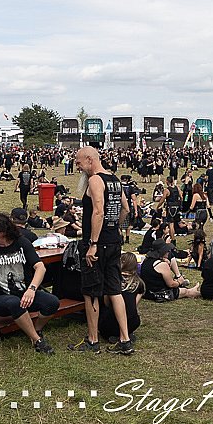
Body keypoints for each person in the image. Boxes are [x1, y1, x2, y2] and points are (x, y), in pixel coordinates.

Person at [69, 146, 133, 354]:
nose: (78, 167)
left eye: (79, 163)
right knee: (115, 290)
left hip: (97, 245)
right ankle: (125, 339)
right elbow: (126, 209)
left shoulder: (95, 180)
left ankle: (93, 340)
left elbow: (98, 211)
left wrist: (93, 243)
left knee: (91, 292)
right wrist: (115, 227)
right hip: (114, 241)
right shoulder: (114, 179)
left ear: (89, 159)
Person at [0, 213, 59, 354]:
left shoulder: (21, 243)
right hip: (0, 299)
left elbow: (40, 267)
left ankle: (36, 330)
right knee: (15, 302)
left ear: (2, 231)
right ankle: (37, 340)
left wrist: (31, 289)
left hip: (24, 294)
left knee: (52, 302)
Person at [98, 251, 143, 342]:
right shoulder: (139, 283)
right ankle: (126, 333)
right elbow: (134, 305)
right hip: (132, 323)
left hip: (110, 324)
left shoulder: (112, 282)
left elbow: (106, 303)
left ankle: (115, 334)